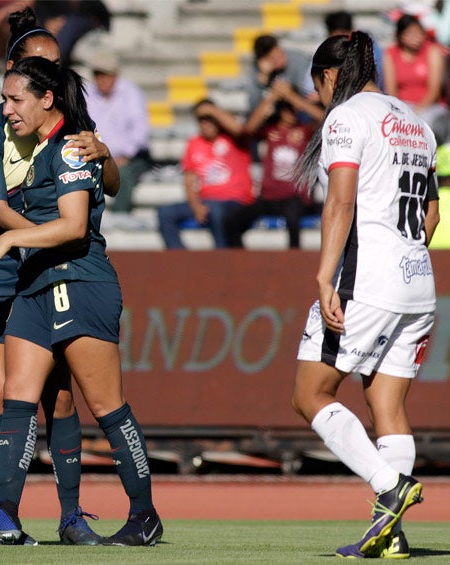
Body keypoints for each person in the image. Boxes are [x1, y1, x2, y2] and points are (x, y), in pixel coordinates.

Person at [0, 55, 162, 547]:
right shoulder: (44, 147)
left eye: (16, 99)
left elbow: (75, 226)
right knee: (17, 400)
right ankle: (4, 514)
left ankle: (144, 516)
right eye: (4, 99)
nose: (6, 109)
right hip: (35, 285)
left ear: (46, 99)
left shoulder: (70, 146)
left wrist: (9, 240)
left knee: (106, 407)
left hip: (79, 280)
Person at [291, 32, 435, 559]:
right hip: (418, 281)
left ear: (329, 76)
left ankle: (388, 485)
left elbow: (341, 202)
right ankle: (391, 532)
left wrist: (325, 276)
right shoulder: (416, 123)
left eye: (319, 85)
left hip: (367, 280)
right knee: (386, 405)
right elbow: (431, 214)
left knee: (310, 394)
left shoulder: (347, 116)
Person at [156, 99, 254, 249]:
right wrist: (195, 206)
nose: (205, 123)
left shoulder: (234, 139)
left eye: (210, 120)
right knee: (165, 212)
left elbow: (241, 129)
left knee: (215, 210)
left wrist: (211, 110)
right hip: (206, 201)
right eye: (201, 120)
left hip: (234, 201)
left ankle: (223, 259)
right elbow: (189, 180)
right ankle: (180, 260)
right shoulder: (194, 143)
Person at [227, 97, 316, 249]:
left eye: (295, 110)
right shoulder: (270, 131)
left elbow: (324, 118)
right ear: (280, 111)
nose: (292, 113)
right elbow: (248, 128)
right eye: (288, 110)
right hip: (269, 197)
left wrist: (294, 97)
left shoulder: (305, 131)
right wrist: (271, 98)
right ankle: (240, 262)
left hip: (295, 197)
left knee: (292, 219)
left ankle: (294, 262)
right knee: (232, 220)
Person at [84, 50, 150, 216]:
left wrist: (125, 155)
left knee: (123, 174)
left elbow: (140, 132)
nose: (102, 79)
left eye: (106, 74)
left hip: (131, 157)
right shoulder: (88, 94)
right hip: (97, 156)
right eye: (98, 74)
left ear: (115, 74)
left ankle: (120, 219)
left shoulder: (131, 93)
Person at [383, 13, 449, 144]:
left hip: (429, 107)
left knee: (424, 124)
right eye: (411, 34)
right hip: (402, 106)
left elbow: (434, 92)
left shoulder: (433, 52)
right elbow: (391, 92)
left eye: (419, 33)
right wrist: (402, 113)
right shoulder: (390, 54)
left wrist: (414, 114)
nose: (417, 38)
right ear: (400, 36)